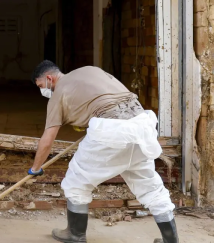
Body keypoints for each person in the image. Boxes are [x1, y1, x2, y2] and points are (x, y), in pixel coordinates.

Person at [28, 60, 178, 243]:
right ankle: (170, 240)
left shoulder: (58, 94)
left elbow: (48, 139)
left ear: (49, 78)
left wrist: (35, 168)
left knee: (76, 182)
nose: (43, 90)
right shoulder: (89, 70)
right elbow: (106, 98)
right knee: (150, 186)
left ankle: (75, 234)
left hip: (111, 131)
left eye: (41, 86)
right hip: (142, 125)